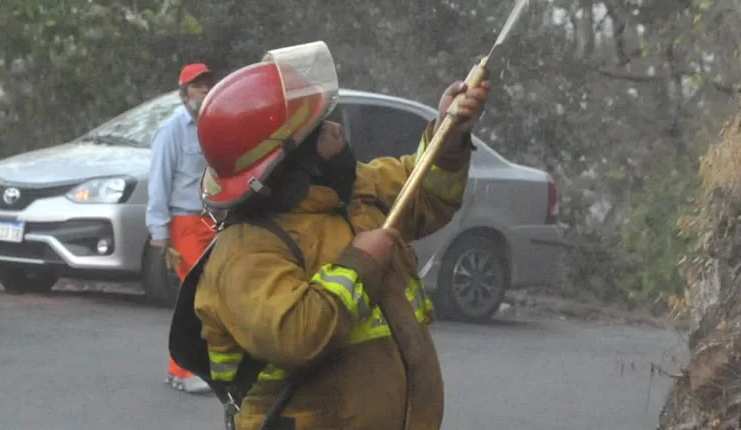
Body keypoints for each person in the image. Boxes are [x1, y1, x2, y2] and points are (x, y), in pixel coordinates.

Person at [167, 41, 490, 430]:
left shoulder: (349, 191)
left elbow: (426, 193)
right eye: (321, 129)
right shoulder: (245, 253)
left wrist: (449, 132)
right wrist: (360, 263)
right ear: (291, 160)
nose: (337, 130)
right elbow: (296, 335)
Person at [147, 61, 220, 394]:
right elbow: (159, 181)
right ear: (183, 93)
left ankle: (190, 368)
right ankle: (183, 370)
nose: (203, 90)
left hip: (211, 219)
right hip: (185, 222)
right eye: (196, 85)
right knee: (195, 297)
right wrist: (159, 232)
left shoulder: (214, 124)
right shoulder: (171, 130)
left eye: (207, 83)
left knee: (209, 296)